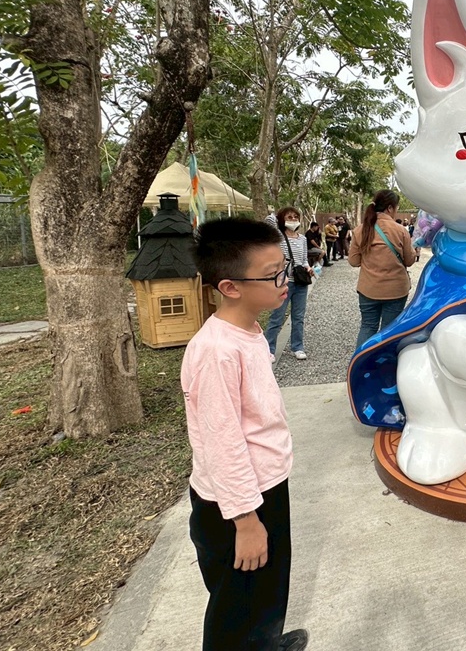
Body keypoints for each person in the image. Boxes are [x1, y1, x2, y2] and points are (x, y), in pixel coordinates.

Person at [182, 217, 309, 651]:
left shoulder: (249, 329)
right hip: (236, 504)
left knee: (269, 585)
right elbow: (221, 442)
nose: (284, 280)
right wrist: (245, 520)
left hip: (266, 485)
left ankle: (267, 642)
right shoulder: (216, 352)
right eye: (273, 274)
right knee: (236, 605)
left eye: (284, 267)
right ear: (230, 286)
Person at [349, 189, 416, 350]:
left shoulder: (360, 230)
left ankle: (361, 366)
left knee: (367, 326)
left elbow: (353, 261)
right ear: (390, 208)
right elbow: (409, 260)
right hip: (395, 290)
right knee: (389, 329)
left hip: (368, 288)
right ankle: (383, 366)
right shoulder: (401, 231)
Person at [264, 207, 311, 362]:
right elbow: (269, 222)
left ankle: (298, 347)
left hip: (300, 282)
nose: (292, 219)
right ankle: (269, 349)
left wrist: (308, 267)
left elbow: (304, 259)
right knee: (277, 317)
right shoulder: (279, 236)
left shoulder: (303, 239)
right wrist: (274, 213)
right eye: (289, 217)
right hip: (283, 282)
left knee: (298, 317)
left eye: (295, 217)